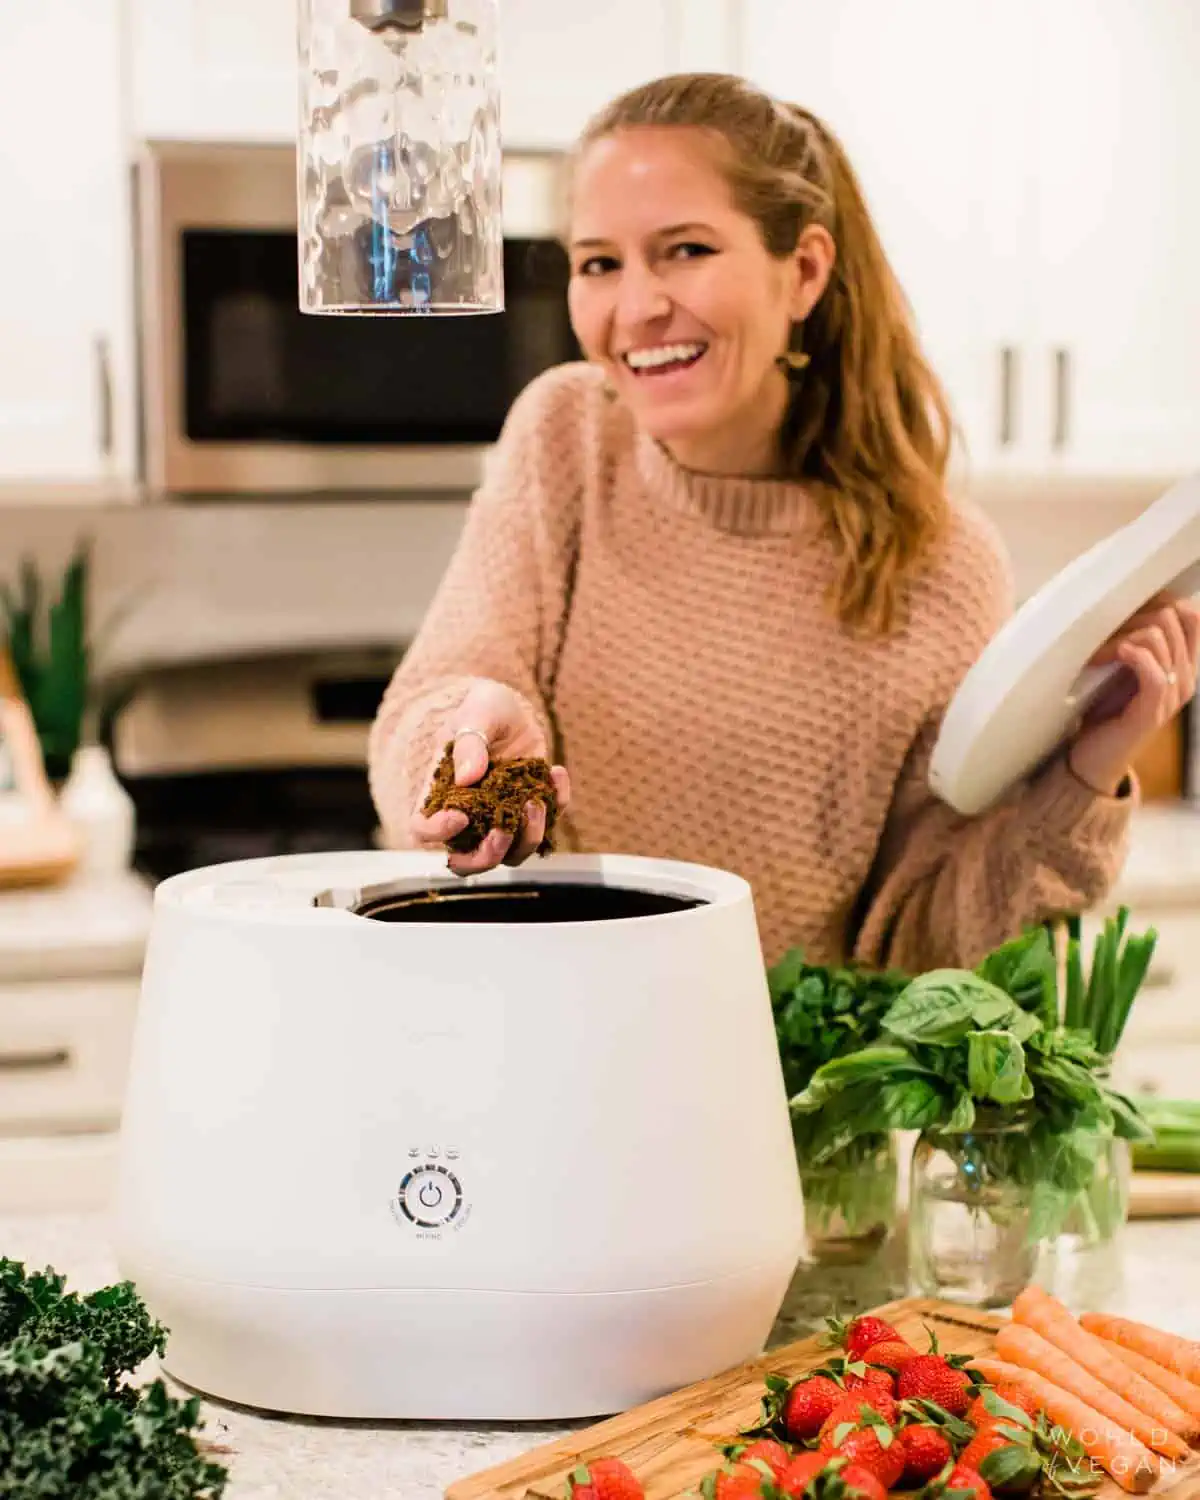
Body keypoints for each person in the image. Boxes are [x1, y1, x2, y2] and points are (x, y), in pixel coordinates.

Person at [367, 72, 1199, 972]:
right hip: (522, 1041)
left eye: (685, 250)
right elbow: (446, 683)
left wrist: (1087, 775)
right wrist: (463, 745)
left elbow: (925, 945)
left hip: (774, 1100)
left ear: (803, 270)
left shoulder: (936, 564)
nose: (636, 307)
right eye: (599, 263)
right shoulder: (568, 435)